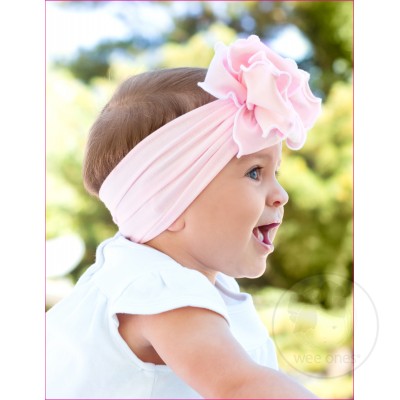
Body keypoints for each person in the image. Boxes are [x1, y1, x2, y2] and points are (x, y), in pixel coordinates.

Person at [46, 35, 321, 399]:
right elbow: (240, 387)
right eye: (255, 172)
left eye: (276, 172)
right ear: (168, 204)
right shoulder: (158, 286)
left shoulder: (159, 277)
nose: (281, 194)